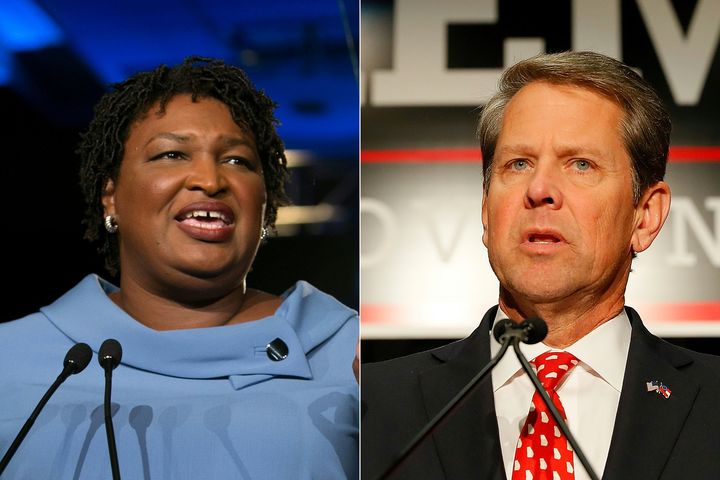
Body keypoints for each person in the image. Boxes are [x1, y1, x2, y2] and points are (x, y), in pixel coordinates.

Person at [361, 51, 720, 480]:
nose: (539, 189)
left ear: (644, 216)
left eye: (580, 164)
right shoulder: (371, 405)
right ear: (486, 212)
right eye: (518, 164)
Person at [0, 57, 358, 479]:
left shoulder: (348, 354)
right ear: (110, 196)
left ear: (266, 203)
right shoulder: (11, 361)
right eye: (172, 154)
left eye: (237, 161)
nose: (210, 179)